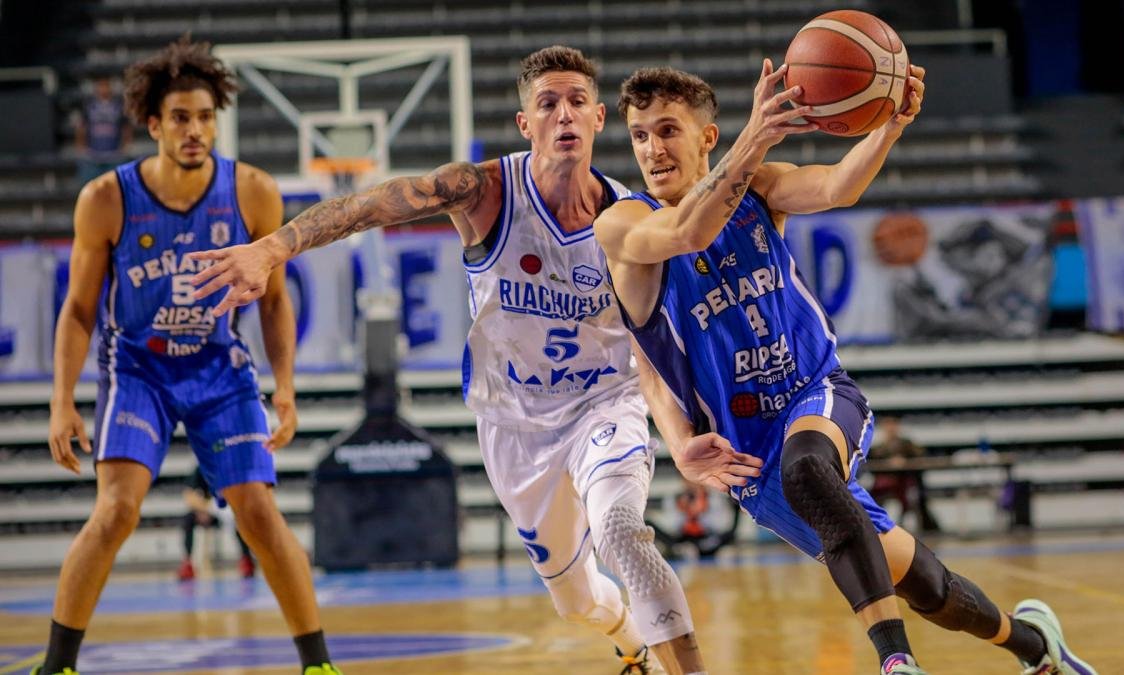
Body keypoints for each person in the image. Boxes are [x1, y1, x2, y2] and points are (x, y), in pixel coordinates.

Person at [189, 46, 706, 675]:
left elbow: (672, 323)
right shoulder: (486, 191)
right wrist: (272, 248)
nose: (563, 115)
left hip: (605, 404)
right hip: (515, 424)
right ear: (526, 124)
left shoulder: (630, 218)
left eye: (575, 103)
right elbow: (369, 205)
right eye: (547, 104)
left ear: (599, 118)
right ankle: (629, 640)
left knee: (621, 528)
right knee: (576, 603)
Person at [594, 64, 1097, 675]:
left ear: (706, 137)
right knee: (927, 588)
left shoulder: (759, 188)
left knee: (806, 466)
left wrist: (889, 127)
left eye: (667, 130)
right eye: (640, 135)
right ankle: (1036, 647)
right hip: (747, 452)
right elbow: (684, 240)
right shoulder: (622, 225)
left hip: (816, 391)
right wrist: (676, 439)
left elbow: (837, 187)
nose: (651, 148)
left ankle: (896, 664)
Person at [41, 37, 339, 675]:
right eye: (180, 117)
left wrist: (284, 388)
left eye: (205, 117)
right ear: (153, 124)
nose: (195, 130)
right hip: (140, 366)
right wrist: (61, 398)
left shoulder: (253, 193)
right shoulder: (106, 199)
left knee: (257, 511)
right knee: (117, 510)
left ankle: (317, 664)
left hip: (216, 363)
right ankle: (57, 664)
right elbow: (79, 310)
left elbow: (275, 303)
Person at [178, 467, 256, 581]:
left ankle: (246, 559)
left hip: (230, 507)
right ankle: (187, 562)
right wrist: (204, 509)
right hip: (210, 508)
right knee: (188, 520)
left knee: (239, 522)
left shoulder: (232, 465)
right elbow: (189, 495)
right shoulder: (201, 468)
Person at [868, 416, 941, 533]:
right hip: (884, 484)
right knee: (871, 500)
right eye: (888, 425)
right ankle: (874, 526)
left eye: (893, 425)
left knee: (915, 499)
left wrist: (905, 461)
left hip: (905, 482)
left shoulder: (907, 444)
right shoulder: (878, 448)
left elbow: (921, 456)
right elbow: (871, 464)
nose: (891, 428)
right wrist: (887, 464)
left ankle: (921, 527)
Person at [74, 76, 132, 185]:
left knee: (116, 187)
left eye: (106, 85)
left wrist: (125, 145)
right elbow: (81, 126)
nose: (103, 89)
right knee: (90, 187)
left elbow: (126, 127)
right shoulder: (88, 105)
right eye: (101, 86)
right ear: (96, 88)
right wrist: (80, 146)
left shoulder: (119, 105)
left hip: (114, 154)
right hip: (93, 155)